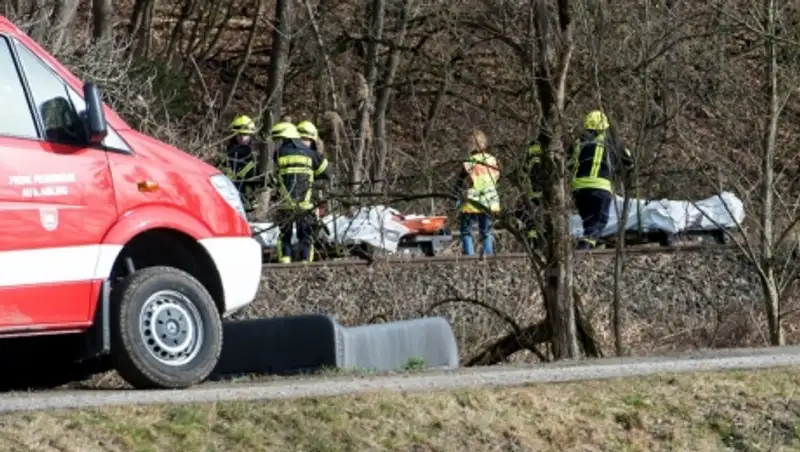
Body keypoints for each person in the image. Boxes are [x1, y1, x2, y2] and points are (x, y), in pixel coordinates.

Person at [570, 110, 634, 249]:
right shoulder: (612, 143)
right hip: (600, 188)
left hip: (579, 189)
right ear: (605, 127)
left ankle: (592, 246)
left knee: (588, 221)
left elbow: (569, 164)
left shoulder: (577, 143)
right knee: (599, 221)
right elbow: (629, 161)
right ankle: (585, 248)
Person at [271, 121, 331, 263]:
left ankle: (285, 260)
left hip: (285, 204)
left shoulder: (278, 154)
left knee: (284, 235)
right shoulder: (312, 155)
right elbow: (327, 173)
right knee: (305, 235)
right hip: (305, 205)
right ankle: (305, 262)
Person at [453, 129, 501, 256]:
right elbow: (497, 177)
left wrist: (455, 195)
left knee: (466, 231)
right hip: (490, 201)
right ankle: (489, 258)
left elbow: (459, 181)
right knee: (486, 232)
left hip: (473, 200)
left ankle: (469, 257)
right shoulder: (492, 160)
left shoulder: (470, 161)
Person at [225, 115, 260, 197]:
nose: (243, 138)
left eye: (246, 135)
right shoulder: (227, 152)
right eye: (240, 135)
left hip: (247, 194)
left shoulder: (255, 154)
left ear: (251, 135)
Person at [521, 139, 544, 249]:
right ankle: (539, 241)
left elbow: (523, 171)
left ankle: (533, 241)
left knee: (528, 217)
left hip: (533, 192)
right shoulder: (549, 149)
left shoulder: (529, 151)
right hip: (546, 193)